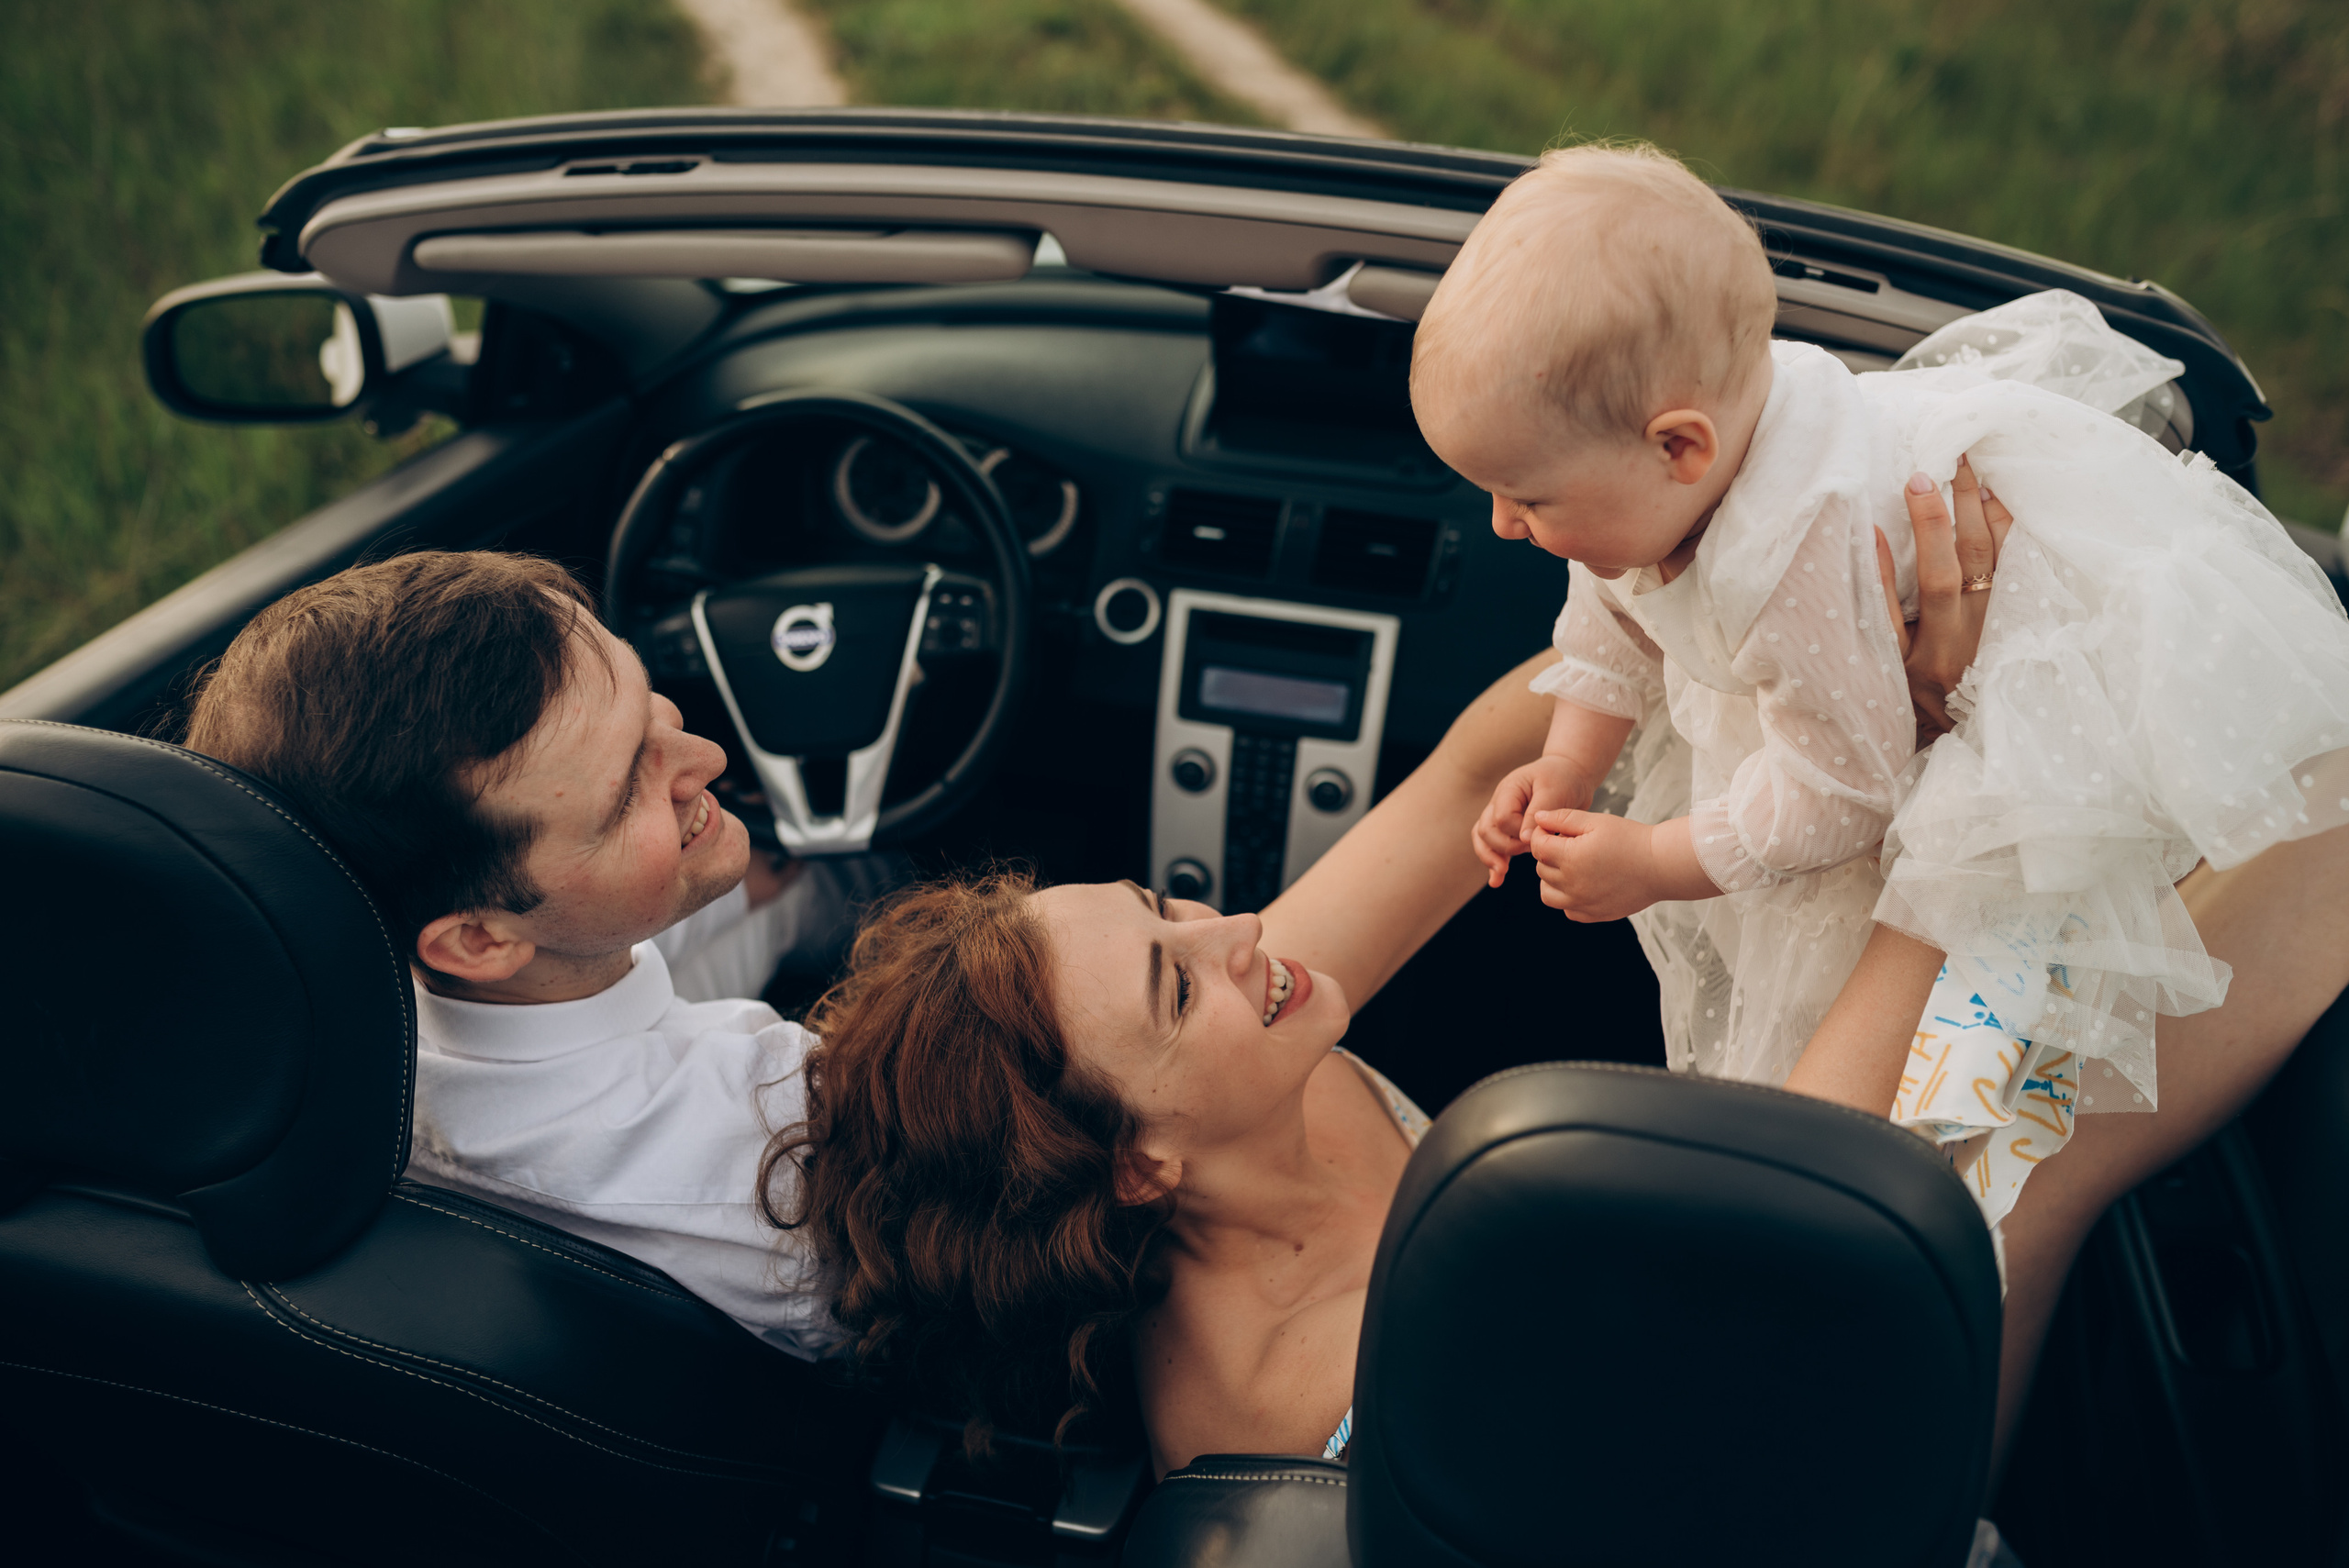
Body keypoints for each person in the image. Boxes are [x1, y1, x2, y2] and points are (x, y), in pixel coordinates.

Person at [1419, 142, 2349, 1239]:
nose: (1500, 525)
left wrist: (1657, 860)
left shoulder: (1798, 546)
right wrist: (1567, 764)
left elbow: (1842, 787)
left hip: (2025, 692)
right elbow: (1610, 613)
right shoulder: (1640, 488)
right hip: (1844, 691)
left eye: (1522, 497)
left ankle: (1970, 1154)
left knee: (1967, 896)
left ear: (1680, 445)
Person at [182, 551, 897, 1357]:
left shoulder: (328, 1048)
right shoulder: (791, 1155)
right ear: (480, 940)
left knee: (770, 885)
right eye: (629, 786)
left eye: (649, 701)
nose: (708, 759)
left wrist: (732, 867)